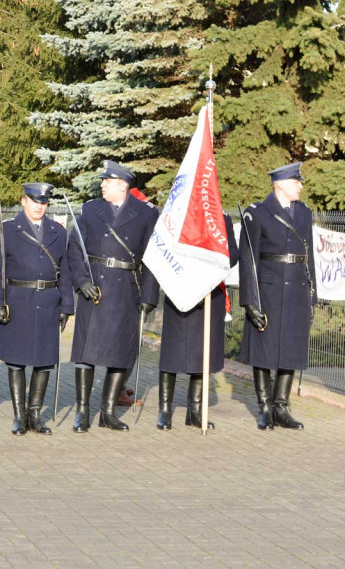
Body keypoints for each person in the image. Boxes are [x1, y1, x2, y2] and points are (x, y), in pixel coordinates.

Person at [67, 160, 159, 433]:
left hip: (126, 290)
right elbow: (75, 247)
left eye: (108, 181)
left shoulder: (145, 214)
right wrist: (82, 281)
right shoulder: (91, 209)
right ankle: (83, 412)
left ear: (122, 185)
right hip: (95, 287)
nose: (102, 185)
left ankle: (108, 412)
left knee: (122, 353)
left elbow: (152, 258)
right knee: (86, 353)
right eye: (103, 181)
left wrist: (149, 296)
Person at [0, 183, 73, 436]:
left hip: (48, 300)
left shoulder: (58, 231)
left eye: (44, 202)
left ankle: (35, 415)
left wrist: (67, 305)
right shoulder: (7, 230)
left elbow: (65, 271)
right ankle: (19, 416)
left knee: (44, 361)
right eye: (35, 200)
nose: (39, 205)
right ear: (24, 200)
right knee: (16, 362)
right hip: (17, 301)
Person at [238, 162, 315, 431]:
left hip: (296, 288)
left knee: (291, 348)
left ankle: (281, 407)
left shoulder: (304, 213)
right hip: (267, 289)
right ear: (281, 184)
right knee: (264, 350)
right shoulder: (257, 213)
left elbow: (309, 256)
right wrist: (249, 299)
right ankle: (265, 408)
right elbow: (248, 259)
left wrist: (312, 294)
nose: (301, 186)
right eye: (297, 181)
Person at [157, 212, 239, 430]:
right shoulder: (178, 213)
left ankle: (194, 410)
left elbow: (234, 253)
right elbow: (164, 249)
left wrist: (213, 261)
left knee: (203, 354)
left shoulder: (222, 219)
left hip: (210, 293)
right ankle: (165, 409)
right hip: (181, 290)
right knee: (172, 353)